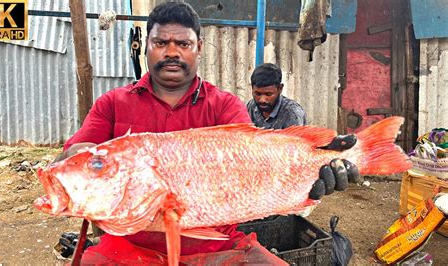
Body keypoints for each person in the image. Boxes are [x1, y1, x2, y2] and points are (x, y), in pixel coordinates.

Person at [55, 2, 358, 264]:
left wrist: (314, 166)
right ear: (146, 45)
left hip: (219, 245)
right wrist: (79, 163)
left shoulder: (224, 105)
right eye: (161, 43)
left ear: (199, 47)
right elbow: (75, 154)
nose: (171, 52)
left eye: (183, 44)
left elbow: (258, 161)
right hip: (128, 245)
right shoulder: (113, 103)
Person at [247, 63, 306, 129]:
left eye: (268, 94)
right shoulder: (250, 107)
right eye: (257, 94)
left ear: (280, 88)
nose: (262, 100)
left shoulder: (292, 113)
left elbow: (294, 139)